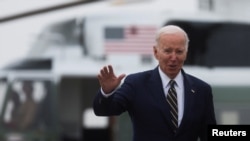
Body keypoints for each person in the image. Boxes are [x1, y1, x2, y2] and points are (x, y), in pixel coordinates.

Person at [93, 25, 217, 141]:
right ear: (156, 52)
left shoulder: (201, 90)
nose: (173, 58)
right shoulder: (137, 84)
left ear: (186, 53)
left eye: (179, 52)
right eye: (168, 51)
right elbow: (104, 110)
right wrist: (107, 93)